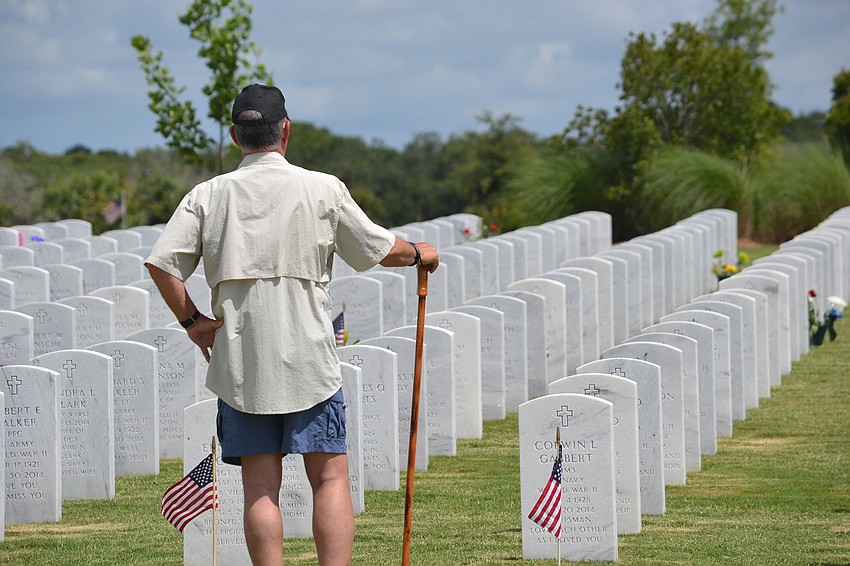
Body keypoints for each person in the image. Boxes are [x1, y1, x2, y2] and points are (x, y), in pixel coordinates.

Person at [145, 83, 439, 566]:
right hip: (309, 359)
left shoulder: (208, 195)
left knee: (260, 486)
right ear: (286, 131)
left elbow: (162, 263)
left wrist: (194, 321)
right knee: (328, 478)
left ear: (236, 136)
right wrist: (419, 255)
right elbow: (379, 250)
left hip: (242, 361)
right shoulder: (322, 187)